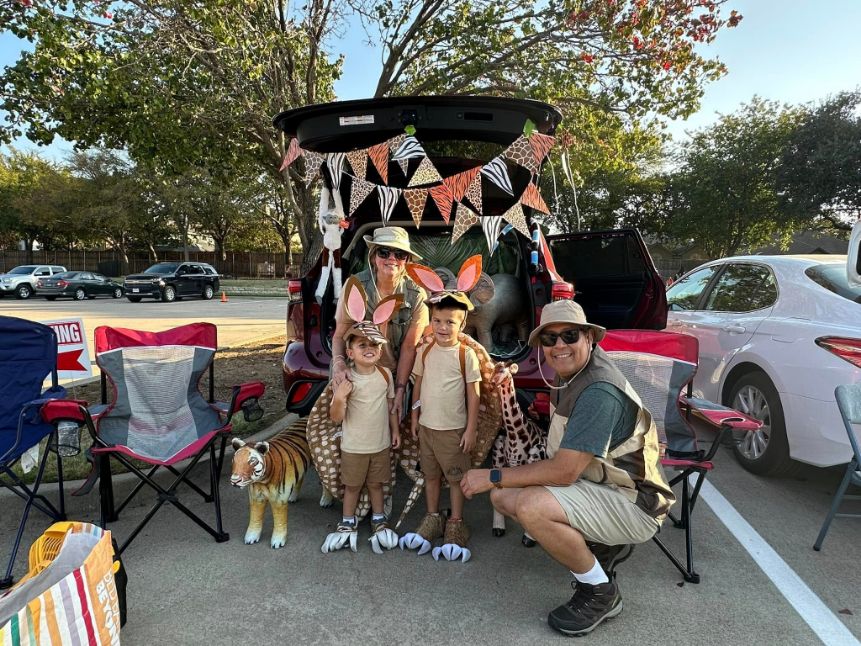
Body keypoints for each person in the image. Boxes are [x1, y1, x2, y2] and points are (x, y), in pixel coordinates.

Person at [460, 299, 675, 636]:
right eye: (550, 338)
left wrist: (493, 474)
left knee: (531, 505)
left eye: (570, 335)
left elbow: (564, 471)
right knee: (503, 498)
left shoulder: (597, 391)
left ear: (589, 337)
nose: (559, 345)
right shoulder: (570, 375)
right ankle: (601, 546)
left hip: (636, 503)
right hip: (602, 486)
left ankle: (600, 592)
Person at [405, 294, 480, 557]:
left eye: (450, 322)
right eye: (437, 320)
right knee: (431, 475)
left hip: (454, 431)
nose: (442, 327)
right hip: (427, 428)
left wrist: (470, 429)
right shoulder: (425, 351)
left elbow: (474, 395)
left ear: (462, 324)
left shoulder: (465, 355)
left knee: (456, 478)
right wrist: (415, 416)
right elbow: (418, 386)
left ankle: (456, 522)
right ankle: (433, 517)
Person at [331, 227, 428, 420]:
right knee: (350, 421)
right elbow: (339, 336)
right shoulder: (355, 286)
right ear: (373, 257)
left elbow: (409, 347)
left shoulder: (417, 295)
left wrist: (400, 389)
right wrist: (339, 365)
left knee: (394, 423)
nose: (392, 258)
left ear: (407, 261)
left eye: (399, 254)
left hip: (396, 372)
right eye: (384, 252)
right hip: (358, 369)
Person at [321, 321, 401, 554]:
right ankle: (347, 521)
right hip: (354, 447)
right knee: (352, 486)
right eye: (362, 345)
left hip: (380, 444)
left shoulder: (385, 375)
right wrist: (339, 397)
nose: (369, 348)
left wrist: (395, 431)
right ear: (350, 353)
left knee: (377, 484)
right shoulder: (346, 380)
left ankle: (379, 519)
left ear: (381, 350)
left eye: (374, 344)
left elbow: (391, 408)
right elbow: (336, 417)